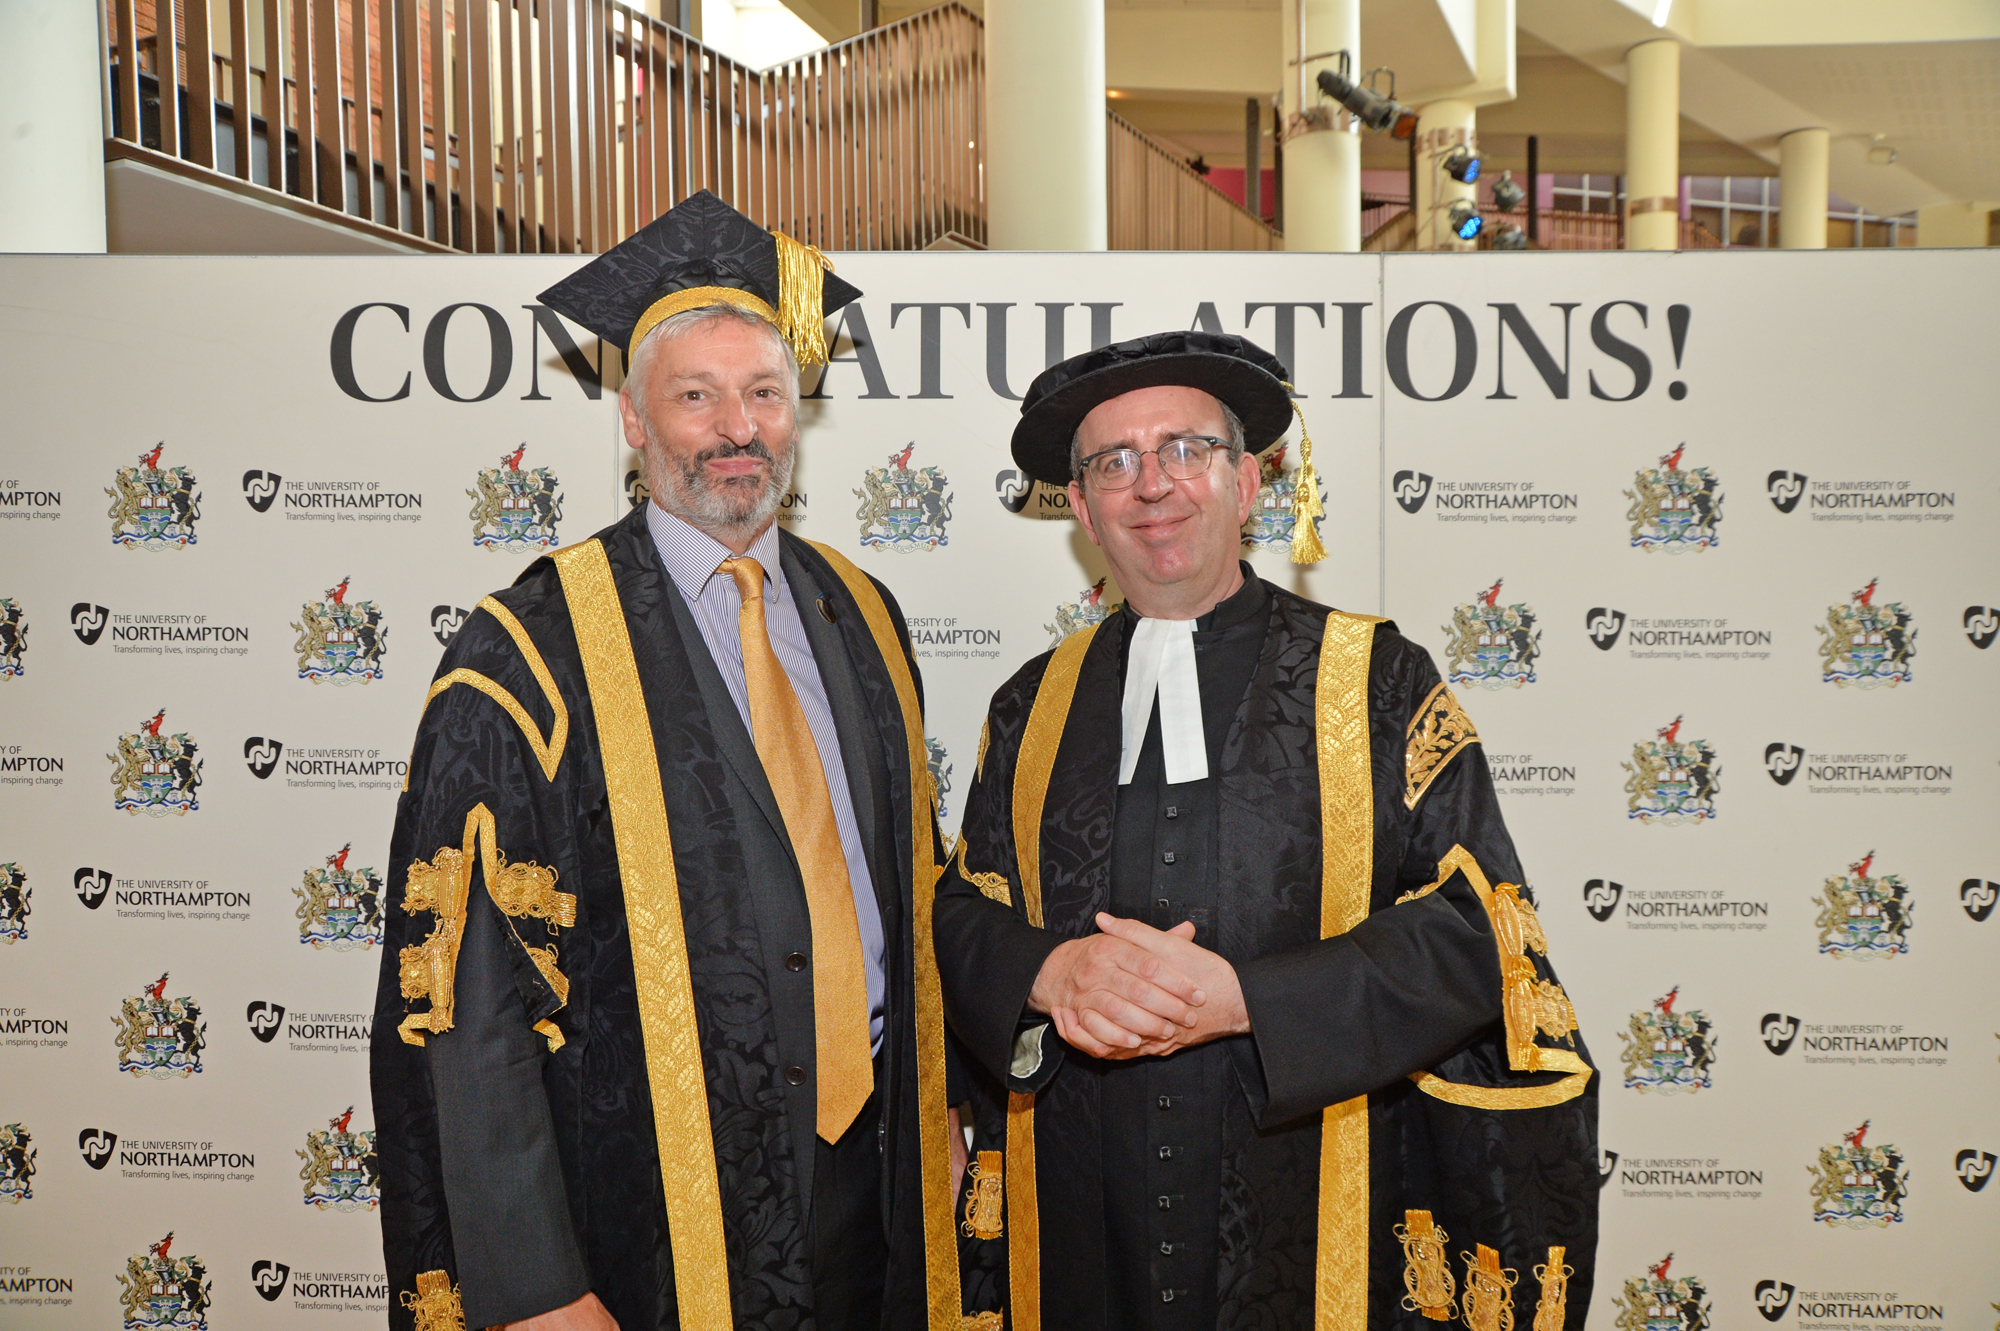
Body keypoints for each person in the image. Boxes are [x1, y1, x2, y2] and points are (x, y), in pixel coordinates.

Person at [371, 191, 963, 1331]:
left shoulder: (861, 612)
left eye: (763, 393)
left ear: (797, 417)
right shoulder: (531, 646)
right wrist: (534, 1283)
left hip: (869, 1181)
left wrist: (936, 1111)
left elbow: (907, 888)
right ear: (635, 424)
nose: (734, 427)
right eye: (694, 396)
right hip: (641, 1205)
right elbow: (469, 991)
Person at [934, 331, 1599, 1331]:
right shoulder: (1028, 704)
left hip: (1311, 1203)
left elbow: (1478, 928)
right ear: (1078, 507)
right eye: (1112, 461)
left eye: (1185, 450)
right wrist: (1049, 973)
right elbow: (958, 909)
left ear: (1246, 483)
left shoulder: (1376, 680)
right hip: (1078, 1218)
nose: (1150, 484)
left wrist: (1251, 998)